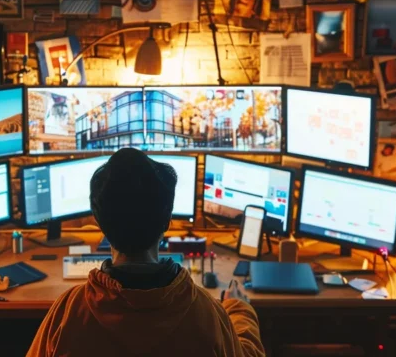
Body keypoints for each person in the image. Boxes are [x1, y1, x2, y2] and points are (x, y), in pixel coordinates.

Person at [27, 148, 264, 357]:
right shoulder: (206, 313)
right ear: (168, 220)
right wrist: (240, 309)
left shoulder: (68, 312)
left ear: (100, 223)